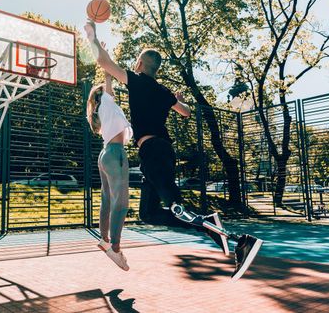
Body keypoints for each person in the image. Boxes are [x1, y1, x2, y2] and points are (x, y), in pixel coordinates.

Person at [84, 20, 263, 280]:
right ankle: (210, 224)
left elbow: (104, 62)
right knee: (148, 213)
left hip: (155, 150)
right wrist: (175, 100)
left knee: (175, 206)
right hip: (155, 152)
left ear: (140, 64)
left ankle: (240, 240)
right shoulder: (162, 90)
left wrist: (93, 36)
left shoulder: (137, 81)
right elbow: (187, 112)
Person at [86, 71, 133, 271]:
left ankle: (104, 238)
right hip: (115, 153)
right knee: (121, 203)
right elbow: (108, 85)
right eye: (109, 90)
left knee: (107, 200)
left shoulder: (103, 108)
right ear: (104, 93)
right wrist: (107, 73)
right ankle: (115, 246)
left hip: (106, 154)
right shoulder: (106, 101)